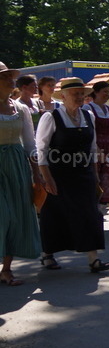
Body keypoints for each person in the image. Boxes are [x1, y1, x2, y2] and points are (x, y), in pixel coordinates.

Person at [36, 77, 109, 272]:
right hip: (58, 174)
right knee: (54, 215)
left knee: (90, 213)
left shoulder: (89, 116)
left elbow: (92, 148)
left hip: (83, 173)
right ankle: (47, 254)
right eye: (74, 94)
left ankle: (93, 258)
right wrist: (47, 178)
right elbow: (41, 150)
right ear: (63, 96)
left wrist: (95, 176)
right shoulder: (51, 117)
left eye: (81, 94)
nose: (79, 97)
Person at [0, 63, 42, 286]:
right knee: (2, 215)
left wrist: (37, 173)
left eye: (10, 76)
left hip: (16, 165)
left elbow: (30, 143)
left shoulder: (21, 109)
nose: (10, 80)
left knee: (15, 215)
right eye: (5, 77)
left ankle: (6, 269)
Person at [83, 81, 109, 230]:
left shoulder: (108, 109)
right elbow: (89, 131)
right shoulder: (88, 108)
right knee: (96, 183)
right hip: (96, 148)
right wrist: (97, 149)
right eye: (104, 92)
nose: (107, 95)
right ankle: (94, 218)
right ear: (96, 92)